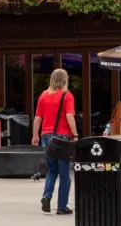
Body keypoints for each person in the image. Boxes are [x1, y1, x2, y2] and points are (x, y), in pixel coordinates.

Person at [31, 68, 78, 216]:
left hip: (46, 137)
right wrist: (75, 135)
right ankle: (62, 207)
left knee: (51, 170)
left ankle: (47, 196)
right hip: (62, 137)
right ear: (65, 80)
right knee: (64, 173)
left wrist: (35, 135)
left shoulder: (43, 96)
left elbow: (37, 118)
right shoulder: (67, 95)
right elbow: (70, 116)